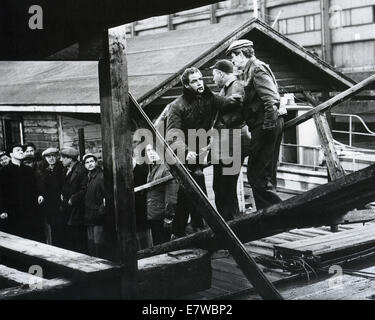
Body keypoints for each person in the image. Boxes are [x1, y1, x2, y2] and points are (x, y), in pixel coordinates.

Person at [166, 67, 241, 237]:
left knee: (186, 192)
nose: (199, 83)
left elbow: (227, 103)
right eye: (194, 81)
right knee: (196, 182)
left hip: (199, 150)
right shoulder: (177, 106)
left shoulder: (209, 98)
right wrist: (185, 152)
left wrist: (239, 96)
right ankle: (201, 227)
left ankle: (177, 231)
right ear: (186, 85)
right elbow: (172, 134)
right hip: (180, 151)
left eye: (200, 79)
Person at [227, 39, 285, 210]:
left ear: (242, 54)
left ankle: (279, 215)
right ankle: (270, 215)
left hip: (266, 124)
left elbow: (271, 100)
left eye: (233, 56)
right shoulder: (250, 70)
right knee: (262, 175)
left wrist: (267, 127)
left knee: (258, 175)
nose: (232, 61)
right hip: (263, 124)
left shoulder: (257, 68)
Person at [211, 59, 251, 221]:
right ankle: (227, 226)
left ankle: (232, 226)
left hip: (233, 142)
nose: (213, 79)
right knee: (219, 187)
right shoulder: (225, 89)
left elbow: (232, 105)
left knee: (227, 187)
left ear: (221, 74)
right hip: (224, 142)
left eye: (214, 75)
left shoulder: (237, 87)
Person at [0, 144, 41, 241]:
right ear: (11, 154)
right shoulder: (4, 172)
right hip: (12, 213)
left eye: (22, 150)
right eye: (18, 150)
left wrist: (39, 195)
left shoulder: (28, 170)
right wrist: (2, 210)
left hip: (29, 212)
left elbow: (34, 188)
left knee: (31, 239)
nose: (21, 152)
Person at [146, 144, 178, 245]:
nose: (150, 153)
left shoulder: (166, 169)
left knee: (163, 247)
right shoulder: (152, 168)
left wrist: (168, 218)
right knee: (157, 246)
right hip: (153, 215)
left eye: (153, 150)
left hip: (162, 217)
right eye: (148, 150)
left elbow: (171, 196)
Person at [60, 147, 87, 253]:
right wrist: (62, 194)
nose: (61, 160)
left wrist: (73, 198)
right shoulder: (67, 169)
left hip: (77, 208)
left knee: (78, 235)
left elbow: (85, 188)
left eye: (63, 158)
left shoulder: (81, 170)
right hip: (68, 206)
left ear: (70, 159)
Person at [38, 147, 65, 247]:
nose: (51, 158)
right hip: (50, 206)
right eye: (48, 157)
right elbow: (42, 187)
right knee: (53, 229)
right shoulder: (44, 170)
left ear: (57, 157)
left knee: (62, 230)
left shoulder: (62, 168)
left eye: (53, 156)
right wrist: (41, 194)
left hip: (60, 205)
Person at [82, 153, 105, 257]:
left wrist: (101, 210)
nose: (89, 164)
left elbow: (106, 196)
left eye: (92, 161)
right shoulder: (88, 177)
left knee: (98, 242)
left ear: (96, 162)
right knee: (90, 240)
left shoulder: (101, 176)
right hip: (88, 213)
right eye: (87, 162)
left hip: (97, 214)